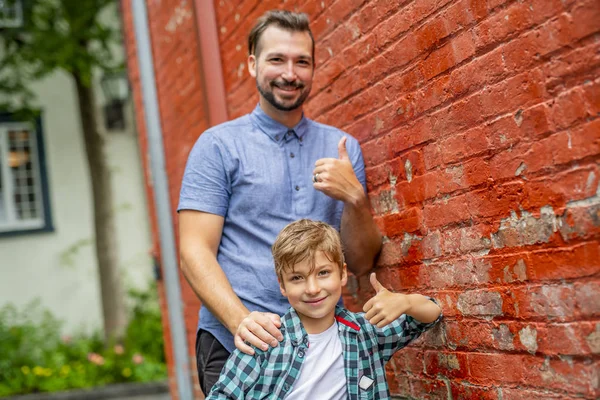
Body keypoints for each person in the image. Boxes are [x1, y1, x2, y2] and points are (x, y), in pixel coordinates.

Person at [177, 9, 382, 394]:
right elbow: (193, 250)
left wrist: (354, 198)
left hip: (324, 345)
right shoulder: (219, 146)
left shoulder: (341, 149)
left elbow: (358, 262)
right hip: (237, 341)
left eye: (301, 61)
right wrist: (241, 321)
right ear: (253, 64)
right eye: (277, 59)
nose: (290, 73)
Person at [205, 219, 442, 399]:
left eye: (323, 273)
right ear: (282, 286)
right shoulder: (265, 340)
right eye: (297, 278)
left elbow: (431, 313)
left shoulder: (366, 333)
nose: (313, 288)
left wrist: (406, 302)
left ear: (342, 274)